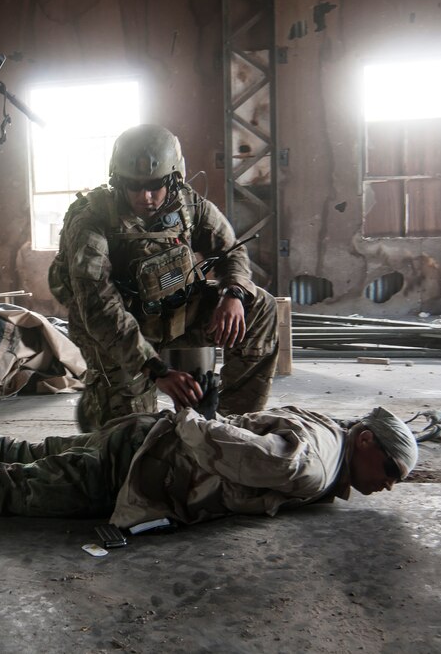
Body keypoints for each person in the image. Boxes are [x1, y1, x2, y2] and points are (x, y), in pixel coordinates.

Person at [0, 406, 418, 530]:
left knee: (25, 455)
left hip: (139, 435)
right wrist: (191, 423)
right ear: (364, 438)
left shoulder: (327, 429)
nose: (387, 482)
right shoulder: (314, 463)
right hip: (146, 464)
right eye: (387, 465)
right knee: (6, 488)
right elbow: (244, 451)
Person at [48, 124, 279, 432]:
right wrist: (156, 369)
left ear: (173, 179)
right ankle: (101, 400)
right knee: (133, 439)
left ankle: (231, 426)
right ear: (118, 180)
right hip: (115, 331)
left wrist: (233, 293)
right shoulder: (92, 218)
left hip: (175, 312)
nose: (145, 196)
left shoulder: (187, 204)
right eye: (133, 185)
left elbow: (231, 251)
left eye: (155, 185)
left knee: (260, 306)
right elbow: (98, 307)